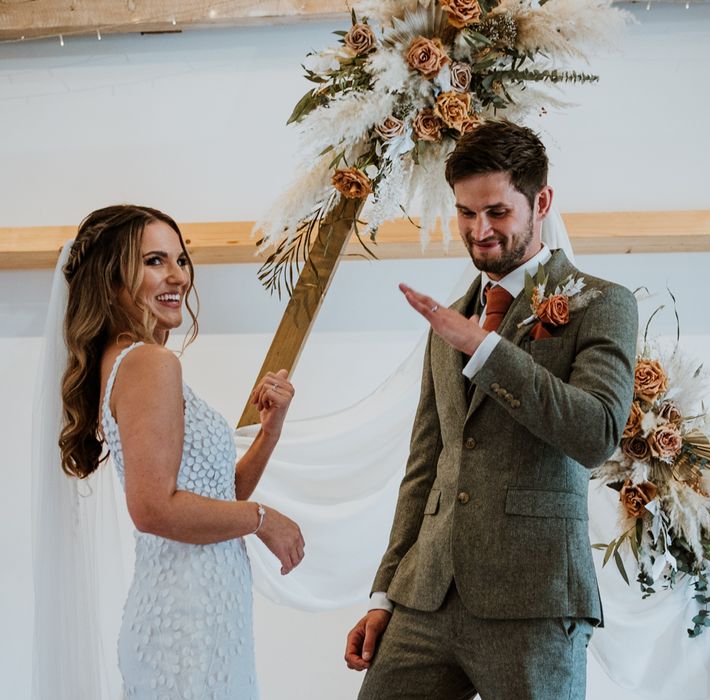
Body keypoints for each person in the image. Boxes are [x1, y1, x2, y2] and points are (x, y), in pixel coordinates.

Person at [344, 120, 638, 700]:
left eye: (498, 213)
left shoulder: (603, 304)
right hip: (425, 598)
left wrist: (485, 349)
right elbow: (425, 465)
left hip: (534, 601)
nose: (479, 231)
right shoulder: (450, 320)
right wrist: (385, 593)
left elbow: (597, 432)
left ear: (541, 202)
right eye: (465, 213)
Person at [56, 204, 304, 699]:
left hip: (202, 615)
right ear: (112, 280)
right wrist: (264, 518)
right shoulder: (150, 362)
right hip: (187, 627)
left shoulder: (131, 360)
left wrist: (268, 434)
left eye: (181, 259)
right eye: (153, 261)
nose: (177, 276)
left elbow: (212, 496)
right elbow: (153, 509)